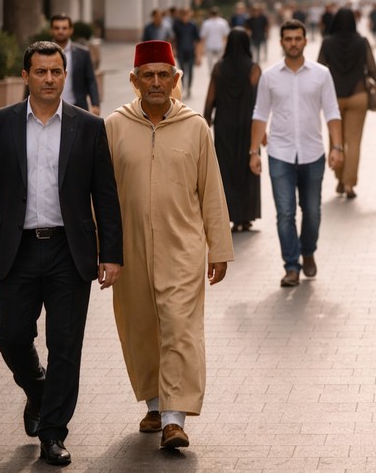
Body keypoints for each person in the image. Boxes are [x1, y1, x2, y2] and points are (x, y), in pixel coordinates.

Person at [0, 41, 123, 466]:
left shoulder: (88, 126)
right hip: (15, 251)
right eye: (41, 72)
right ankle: (37, 388)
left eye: (56, 72)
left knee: (66, 347)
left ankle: (53, 432)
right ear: (26, 76)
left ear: (65, 76)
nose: (49, 79)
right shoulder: (0, 124)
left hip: (69, 253)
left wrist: (111, 253)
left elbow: (105, 195)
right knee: (12, 335)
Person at [105, 40, 234, 450]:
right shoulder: (114, 126)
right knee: (140, 327)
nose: (156, 82)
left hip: (183, 248)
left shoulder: (196, 127)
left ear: (176, 80)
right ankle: (155, 404)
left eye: (164, 75)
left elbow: (211, 191)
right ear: (134, 80)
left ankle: (175, 419)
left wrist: (220, 248)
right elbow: (100, 194)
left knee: (180, 327)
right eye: (148, 75)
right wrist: (101, 248)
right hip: (130, 249)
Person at [250, 20, 344, 287]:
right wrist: (253, 151)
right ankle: (291, 266)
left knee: (312, 211)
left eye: (297, 38)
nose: (293, 43)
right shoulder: (269, 77)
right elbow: (259, 114)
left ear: (305, 41)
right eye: (288, 39)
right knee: (285, 213)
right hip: (280, 153)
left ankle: (308, 251)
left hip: (313, 153)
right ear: (281, 42)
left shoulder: (321, 74)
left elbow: (332, 112)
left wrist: (337, 147)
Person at [318, 8, 376, 200]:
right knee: (354, 142)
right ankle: (349, 184)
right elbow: (372, 68)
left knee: (335, 140)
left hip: (334, 98)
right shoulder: (361, 42)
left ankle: (338, 179)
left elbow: (320, 68)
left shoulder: (327, 43)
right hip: (358, 95)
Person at [204, 29, 263, 231]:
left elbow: (210, 98)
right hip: (248, 126)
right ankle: (246, 217)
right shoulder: (254, 69)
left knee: (226, 170)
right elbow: (259, 101)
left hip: (224, 127)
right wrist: (262, 130)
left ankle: (230, 214)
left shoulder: (219, 68)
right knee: (247, 168)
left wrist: (205, 121)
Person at [48, 13, 101, 115]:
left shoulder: (83, 53)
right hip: (49, 108)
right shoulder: (41, 54)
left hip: (76, 107)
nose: (60, 31)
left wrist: (95, 104)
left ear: (71, 30)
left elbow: (91, 80)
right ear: (51, 30)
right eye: (57, 28)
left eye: (64, 28)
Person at [172, 7, 202, 99]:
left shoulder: (192, 26)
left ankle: (189, 87)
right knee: (181, 70)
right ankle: (183, 87)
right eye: (183, 14)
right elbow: (174, 39)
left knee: (190, 69)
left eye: (186, 14)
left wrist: (198, 54)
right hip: (181, 50)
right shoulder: (177, 25)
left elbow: (197, 40)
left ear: (189, 15)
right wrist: (173, 50)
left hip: (190, 51)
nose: (185, 16)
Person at [200, 7, 231, 74]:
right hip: (220, 44)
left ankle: (212, 74)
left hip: (209, 45)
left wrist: (201, 48)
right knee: (220, 63)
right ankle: (219, 74)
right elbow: (226, 35)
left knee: (210, 63)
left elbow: (203, 36)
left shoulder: (206, 23)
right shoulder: (223, 22)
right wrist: (226, 46)